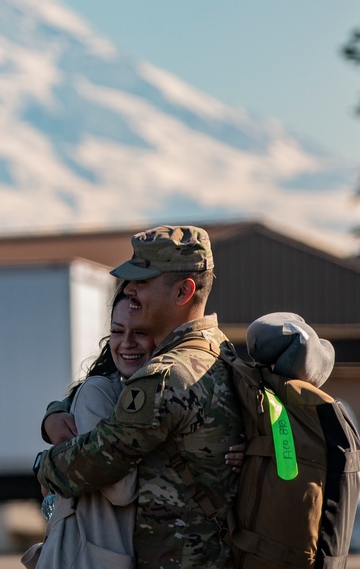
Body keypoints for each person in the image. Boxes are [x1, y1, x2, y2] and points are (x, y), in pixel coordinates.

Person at [33, 225, 244, 569]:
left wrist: (44, 464)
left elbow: (98, 457)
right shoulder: (221, 353)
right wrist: (57, 411)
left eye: (143, 281)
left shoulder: (166, 376)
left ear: (183, 291)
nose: (130, 289)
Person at [22, 285, 155, 569]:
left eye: (140, 332)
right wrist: (48, 464)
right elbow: (121, 490)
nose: (127, 342)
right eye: (117, 331)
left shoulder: (147, 391)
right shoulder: (100, 392)